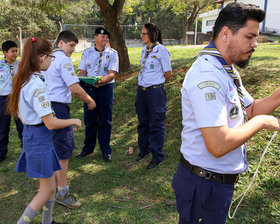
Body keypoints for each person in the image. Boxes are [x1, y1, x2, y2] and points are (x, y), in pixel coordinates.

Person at [172, 3, 280, 224]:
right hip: (203, 186)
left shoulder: (224, 69)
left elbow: (250, 109)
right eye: (249, 37)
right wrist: (261, 122)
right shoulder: (207, 77)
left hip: (214, 183)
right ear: (225, 34)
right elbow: (218, 145)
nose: (255, 44)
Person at [7, 37, 81, 224]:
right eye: (50, 56)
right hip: (40, 138)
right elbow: (50, 123)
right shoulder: (37, 85)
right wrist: (72, 120)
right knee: (45, 191)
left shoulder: (26, 78)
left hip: (37, 137)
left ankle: (47, 221)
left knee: (49, 188)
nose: (51, 60)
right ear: (41, 57)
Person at [42, 30, 96, 209]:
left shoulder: (46, 59)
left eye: (75, 45)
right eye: (72, 45)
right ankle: (62, 192)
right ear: (61, 43)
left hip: (46, 107)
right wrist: (89, 100)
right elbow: (75, 88)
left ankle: (48, 188)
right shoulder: (63, 60)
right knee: (63, 150)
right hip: (57, 109)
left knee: (51, 148)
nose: (74, 49)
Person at [76, 27, 119, 162]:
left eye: (107, 37)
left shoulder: (113, 53)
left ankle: (106, 150)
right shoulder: (87, 53)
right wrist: (85, 80)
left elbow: (112, 74)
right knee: (90, 120)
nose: (105, 39)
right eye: (102, 37)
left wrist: (99, 80)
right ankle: (88, 148)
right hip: (89, 89)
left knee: (105, 120)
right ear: (95, 37)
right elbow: (82, 72)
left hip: (105, 89)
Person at [135, 23, 172, 170]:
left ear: (153, 35)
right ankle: (144, 150)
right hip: (142, 91)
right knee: (143, 122)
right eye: (141, 33)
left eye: (144, 33)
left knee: (156, 124)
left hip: (155, 92)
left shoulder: (161, 50)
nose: (141, 36)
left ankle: (157, 156)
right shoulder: (145, 50)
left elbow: (168, 73)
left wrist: (156, 84)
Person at [0, 40, 23, 162]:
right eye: (12, 51)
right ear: (5, 52)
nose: (15, 53)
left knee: (21, 124)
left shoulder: (20, 65)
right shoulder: (0, 65)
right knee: (3, 126)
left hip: (18, 98)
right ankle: (2, 152)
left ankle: (25, 150)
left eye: (16, 50)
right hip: (3, 99)